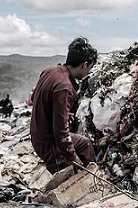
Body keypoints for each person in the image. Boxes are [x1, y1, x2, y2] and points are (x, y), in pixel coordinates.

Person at [30, 37, 97, 174]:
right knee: (67, 177)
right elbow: (60, 132)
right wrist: (73, 157)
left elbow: (33, 96)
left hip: (38, 133)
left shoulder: (50, 70)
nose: (88, 73)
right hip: (49, 143)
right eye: (89, 68)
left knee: (85, 144)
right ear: (84, 65)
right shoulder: (64, 87)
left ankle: (93, 176)